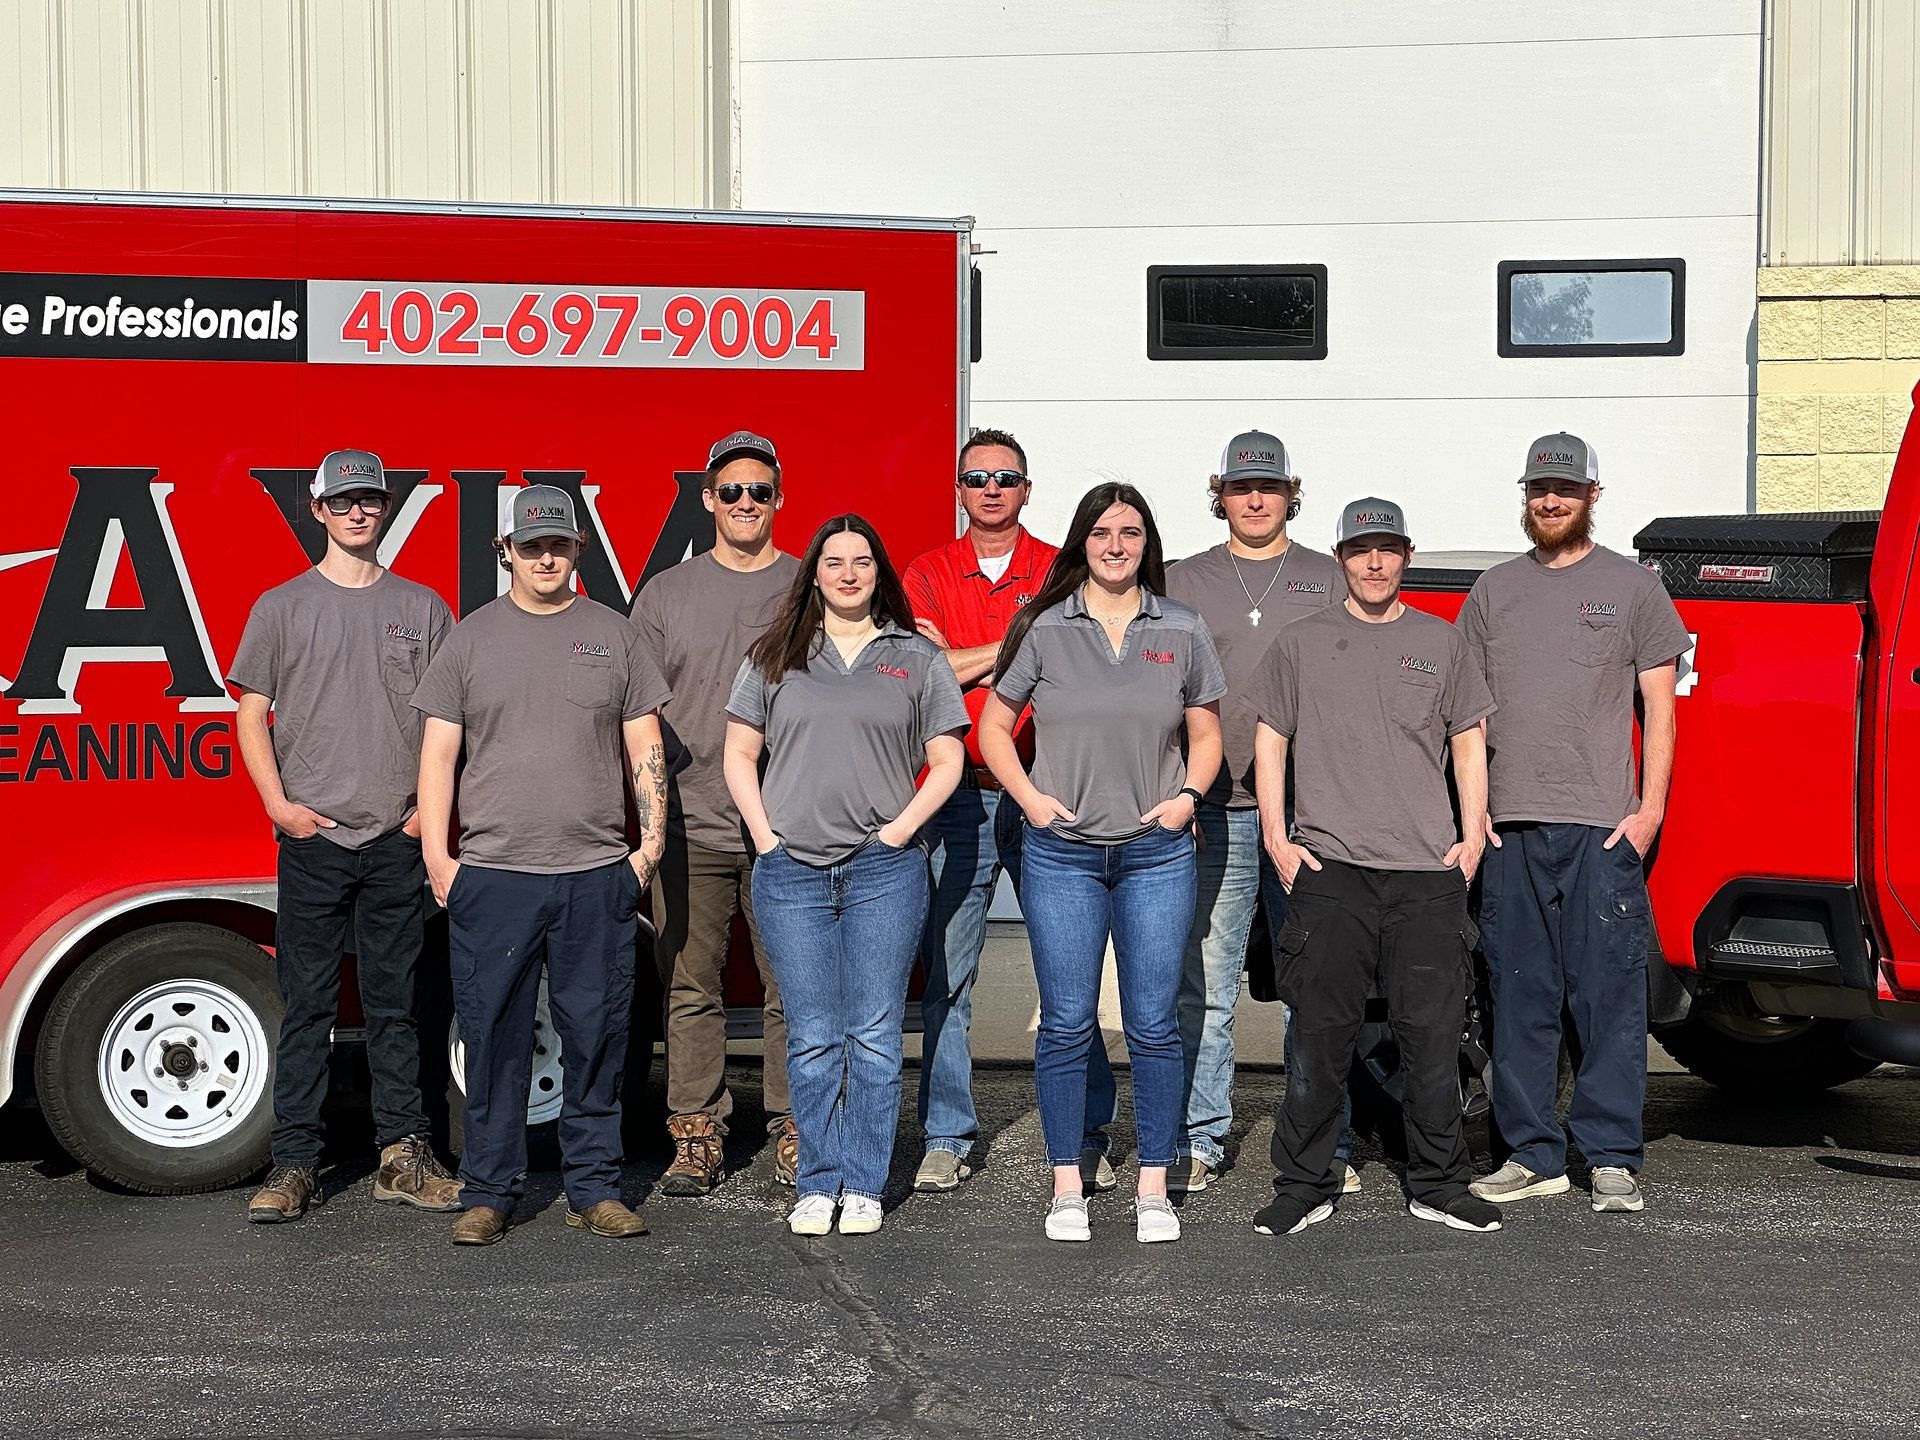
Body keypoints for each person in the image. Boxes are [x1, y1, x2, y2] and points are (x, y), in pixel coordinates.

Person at [413, 485, 671, 1246]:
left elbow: (644, 744)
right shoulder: (468, 640)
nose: (546, 556)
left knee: (597, 1034)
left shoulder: (614, 636)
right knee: (492, 1037)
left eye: (559, 544)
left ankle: (595, 1187)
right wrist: (439, 857)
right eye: (532, 546)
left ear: (578, 550)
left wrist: (647, 849)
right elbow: (437, 753)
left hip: (595, 873)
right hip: (492, 875)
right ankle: (489, 1191)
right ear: (507, 552)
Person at [1248, 498, 1502, 1237]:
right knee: (1321, 1040)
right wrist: (1276, 835)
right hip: (1331, 869)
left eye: (1388, 549)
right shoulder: (1301, 643)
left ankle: (1438, 1183)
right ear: (1340, 559)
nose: (1375, 562)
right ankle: (1305, 1182)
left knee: (1432, 1039)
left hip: (1426, 872)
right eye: (1361, 550)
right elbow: (1270, 738)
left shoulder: (1441, 642)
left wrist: (1471, 837)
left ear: (1406, 555)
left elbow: (1468, 738)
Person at [980, 482, 1225, 1245]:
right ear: (1081, 542)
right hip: (1062, 856)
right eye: (1101, 532)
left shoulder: (1180, 627)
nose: (1116, 545)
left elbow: (1209, 734)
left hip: (1156, 853)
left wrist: (1187, 796)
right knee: (1065, 1022)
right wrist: (1027, 797)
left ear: (1147, 542)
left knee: (1153, 1023)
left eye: (1130, 532)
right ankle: (1067, 1185)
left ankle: (1154, 1180)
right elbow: (992, 726)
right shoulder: (1045, 628)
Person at [1460, 434, 1690, 1215]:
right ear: (1525, 497)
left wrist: (1649, 810)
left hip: (1601, 829)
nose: (1549, 502)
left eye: (1564, 489)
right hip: (1510, 829)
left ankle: (1612, 1155)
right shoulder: (1492, 591)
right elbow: (1463, 715)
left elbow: (1659, 706)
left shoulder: (1632, 590)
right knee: (1518, 996)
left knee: (1607, 997)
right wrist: (1473, 815)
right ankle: (1532, 1154)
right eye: (1538, 490)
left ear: (1594, 493)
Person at [230, 448, 461, 1223]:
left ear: (385, 509)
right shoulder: (281, 608)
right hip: (314, 842)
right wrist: (280, 808)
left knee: (398, 1008)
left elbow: (444, 723)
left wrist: (429, 815)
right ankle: (294, 1162)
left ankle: (404, 1155)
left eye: (372, 500)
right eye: (344, 501)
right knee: (307, 1008)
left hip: (395, 840)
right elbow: (250, 714)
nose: (359, 512)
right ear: (318, 510)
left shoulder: (423, 608)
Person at [724, 515, 968, 1237]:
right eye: (835, 562)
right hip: (791, 871)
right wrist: (766, 836)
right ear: (815, 574)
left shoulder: (916, 657)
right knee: (812, 1035)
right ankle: (816, 1179)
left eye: (863, 561)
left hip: (884, 872)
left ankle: (863, 1182)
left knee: (873, 1031)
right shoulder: (775, 655)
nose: (849, 573)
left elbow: (948, 759)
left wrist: (898, 833)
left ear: (879, 573)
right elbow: (739, 754)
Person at [902, 428, 1116, 1195]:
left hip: (1045, 792)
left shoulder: (1063, 567)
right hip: (955, 796)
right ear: (959, 489)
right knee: (950, 977)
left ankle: (1090, 1131)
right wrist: (1022, 638)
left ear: (1028, 489)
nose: (991, 489)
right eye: (976, 477)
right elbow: (923, 671)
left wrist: (970, 654)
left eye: (1006, 477)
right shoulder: (925, 573)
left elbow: (1081, 661)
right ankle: (947, 1136)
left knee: (1070, 974)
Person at [1164, 429, 1343, 1195]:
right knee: (1204, 981)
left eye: (1268, 486)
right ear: (1222, 495)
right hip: (1214, 809)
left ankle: (1320, 1144)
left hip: (1312, 811)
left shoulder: (1329, 577)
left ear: (1290, 492)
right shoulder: (1179, 579)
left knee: (1316, 984)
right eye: (1242, 488)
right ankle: (1201, 1136)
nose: (1256, 499)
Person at [632, 430, 801, 1196]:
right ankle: (696, 1136)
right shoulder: (666, 594)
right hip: (692, 825)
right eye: (730, 491)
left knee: (790, 989)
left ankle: (796, 1129)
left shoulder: (809, 586)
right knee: (690, 989)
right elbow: (636, 712)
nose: (744, 503)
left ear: (778, 499)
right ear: (706, 499)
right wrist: (646, 823)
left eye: (758, 491)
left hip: (789, 827)